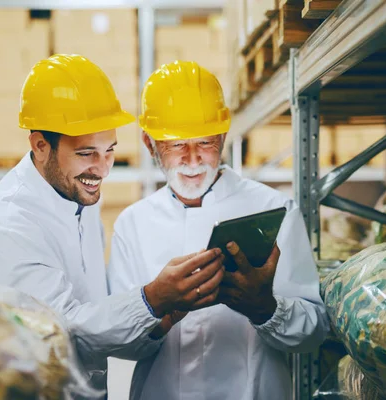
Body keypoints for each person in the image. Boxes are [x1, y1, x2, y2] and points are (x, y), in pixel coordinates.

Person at [0, 55, 225, 397]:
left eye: (109, 151)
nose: (102, 169)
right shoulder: (7, 226)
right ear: (41, 146)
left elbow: (96, 320)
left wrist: (161, 320)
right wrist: (153, 299)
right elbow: (62, 335)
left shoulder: (77, 192)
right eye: (87, 154)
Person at [106, 61, 330, 400]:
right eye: (176, 144)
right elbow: (119, 342)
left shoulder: (274, 210)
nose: (193, 159)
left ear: (223, 138)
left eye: (206, 142)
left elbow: (314, 329)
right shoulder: (132, 224)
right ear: (149, 143)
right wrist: (156, 307)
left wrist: (264, 308)